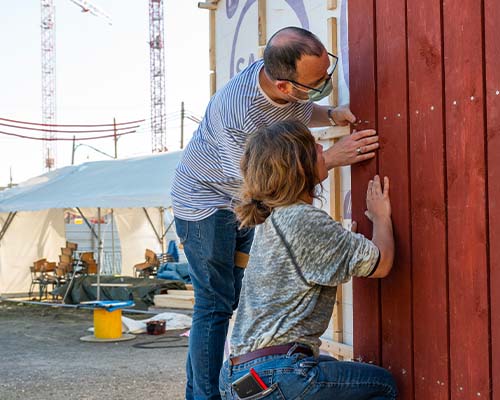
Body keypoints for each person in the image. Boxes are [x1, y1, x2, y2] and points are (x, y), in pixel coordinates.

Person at [172, 26, 380, 400]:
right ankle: (203, 396)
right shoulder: (238, 113)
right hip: (206, 203)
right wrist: (330, 159)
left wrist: (331, 114)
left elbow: (300, 107)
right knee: (216, 303)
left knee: (239, 295)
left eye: (326, 73)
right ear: (285, 85)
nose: (326, 83)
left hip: (240, 195)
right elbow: (261, 186)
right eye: (318, 82)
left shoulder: (280, 79)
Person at [219, 120, 397, 400]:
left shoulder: (276, 218)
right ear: (298, 166)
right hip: (277, 374)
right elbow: (382, 263)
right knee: (383, 385)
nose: (321, 147)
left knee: (330, 367)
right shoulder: (303, 220)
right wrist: (381, 217)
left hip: (240, 375)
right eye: (312, 147)